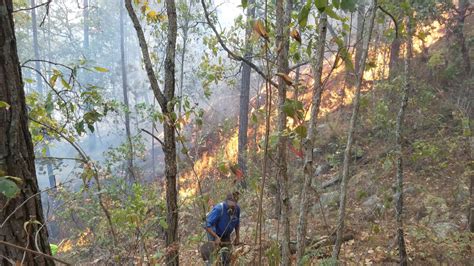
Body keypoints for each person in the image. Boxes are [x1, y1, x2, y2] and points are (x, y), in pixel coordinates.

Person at [204, 191, 241, 265]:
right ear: (227, 201)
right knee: (213, 259)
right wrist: (216, 237)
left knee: (227, 257)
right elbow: (207, 225)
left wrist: (237, 237)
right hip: (213, 233)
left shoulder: (237, 209)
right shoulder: (219, 209)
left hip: (226, 234)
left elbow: (237, 223)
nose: (234, 206)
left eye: (235, 203)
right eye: (232, 203)